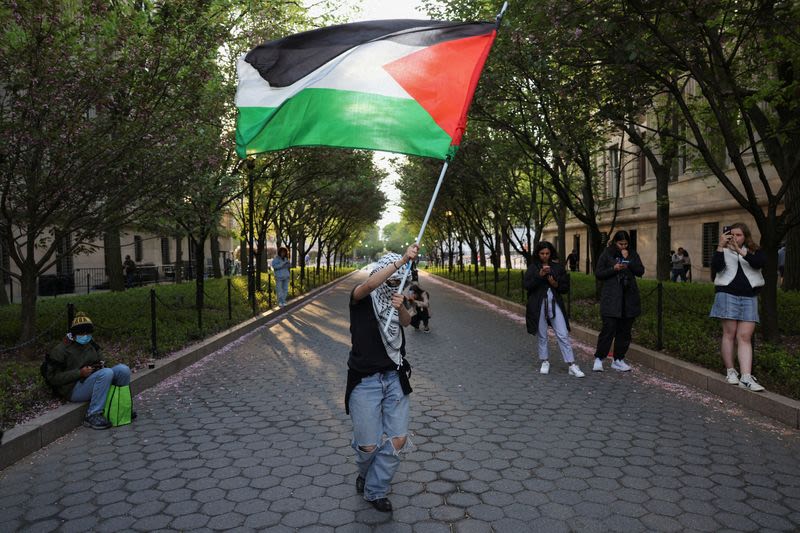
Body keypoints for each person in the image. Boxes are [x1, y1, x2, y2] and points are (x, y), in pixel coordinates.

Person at [345, 243, 419, 513]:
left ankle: (375, 490)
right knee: (368, 445)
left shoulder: (394, 300)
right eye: (390, 277)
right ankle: (365, 473)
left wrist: (400, 307)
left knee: (398, 439)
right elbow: (371, 284)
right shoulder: (361, 296)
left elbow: (408, 323)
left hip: (394, 376)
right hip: (364, 380)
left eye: (399, 280)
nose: (394, 282)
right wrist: (400, 261)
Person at [44, 312, 132, 430]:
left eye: (88, 333)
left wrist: (100, 364)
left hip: (93, 378)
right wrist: (79, 373)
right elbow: (53, 378)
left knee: (123, 370)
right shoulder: (61, 350)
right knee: (106, 373)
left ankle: (120, 408)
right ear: (74, 335)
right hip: (73, 388)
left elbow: (102, 359)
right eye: (82, 333)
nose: (85, 336)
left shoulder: (91, 343)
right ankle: (92, 415)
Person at [710, 223, 766, 392]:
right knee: (729, 334)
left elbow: (759, 263)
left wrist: (741, 251)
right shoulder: (723, 251)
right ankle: (730, 371)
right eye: (731, 234)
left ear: (746, 236)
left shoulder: (754, 251)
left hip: (749, 297)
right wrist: (721, 246)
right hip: (727, 295)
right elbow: (716, 267)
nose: (735, 238)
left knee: (745, 337)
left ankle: (746, 377)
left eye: (739, 235)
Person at [524, 241, 585, 378]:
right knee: (542, 335)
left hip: (555, 304)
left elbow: (564, 288)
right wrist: (539, 276)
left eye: (547, 253)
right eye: (542, 253)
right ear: (537, 254)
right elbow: (527, 286)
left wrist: (555, 283)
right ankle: (544, 361)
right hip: (538, 305)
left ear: (551, 253)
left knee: (563, 333)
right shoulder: (533, 267)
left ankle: (571, 364)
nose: (545, 256)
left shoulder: (557, 267)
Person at [593, 231, 645, 372]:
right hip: (611, 297)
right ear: (614, 242)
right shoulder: (607, 254)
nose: (623, 246)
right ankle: (599, 358)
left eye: (625, 244)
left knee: (625, 331)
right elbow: (598, 273)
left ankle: (618, 359)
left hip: (628, 298)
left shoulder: (632, 254)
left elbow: (640, 271)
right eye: (620, 244)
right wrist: (613, 269)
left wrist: (629, 262)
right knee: (608, 329)